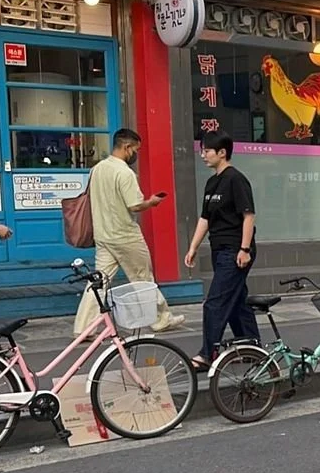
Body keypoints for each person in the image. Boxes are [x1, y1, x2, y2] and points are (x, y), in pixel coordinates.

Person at [72, 129, 184, 337]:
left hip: (103, 235)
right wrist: (152, 202)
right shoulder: (124, 173)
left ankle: (84, 328)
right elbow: (135, 205)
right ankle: (161, 319)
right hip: (125, 236)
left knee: (98, 282)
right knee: (143, 278)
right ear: (126, 147)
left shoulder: (97, 169)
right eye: (135, 150)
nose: (136, 154)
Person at [185, 134, 260, 372]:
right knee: (237, 302)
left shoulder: (236, 179)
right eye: (202, 150)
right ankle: (253, 350)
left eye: (207, 151)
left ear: (222, 153)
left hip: (235, 250)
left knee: (214, 303)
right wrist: (193, 247)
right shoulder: (211, 183)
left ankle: (207, 354)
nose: (203, 155)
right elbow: (205, 218)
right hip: (219, 249)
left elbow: (248, 216)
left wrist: (244, 249)